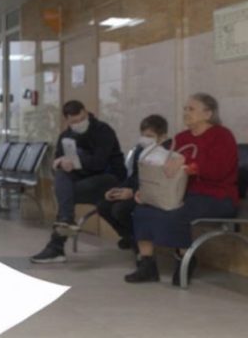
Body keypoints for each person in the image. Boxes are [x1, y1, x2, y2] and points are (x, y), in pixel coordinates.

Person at [125, 93, 239, 285]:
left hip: (218, 197)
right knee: (143, 209)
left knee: (176, 212)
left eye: (191, 109)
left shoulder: (222, 135)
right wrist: (150, 191)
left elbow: (219, 171)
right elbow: (166, 169)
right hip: (182, 193)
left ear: (208, 113)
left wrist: (187, 162)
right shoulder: (181, 138)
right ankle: (147, 265)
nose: (186, 112)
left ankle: (185, 259)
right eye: (185, 109)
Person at [30, 100, 127, 263]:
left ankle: (58, 242)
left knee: (65, 194)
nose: (79, 123)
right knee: (62, 176)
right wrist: (60, 163)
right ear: (67, 120)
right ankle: (64, 224)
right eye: (74, 121)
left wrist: (76, 162)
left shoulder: (103, 131)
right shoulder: (66, 136)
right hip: (83, 180)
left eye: (82, 118)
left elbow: (99, 163)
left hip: (109, 178)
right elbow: (57, 160)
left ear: (86, 112)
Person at [97, 114, 170, 252]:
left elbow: (159, 182)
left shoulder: (167, 153)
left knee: (120, 209)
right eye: (143, 135)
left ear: (162, 137)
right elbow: (134, 176)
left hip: (153, 195)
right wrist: (118, 189)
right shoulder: (141, 150)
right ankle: (130, 237)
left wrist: (133, 192)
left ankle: (140, 244)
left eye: (149, 136)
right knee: (103, 206)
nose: (144, 139)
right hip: (136, 191)